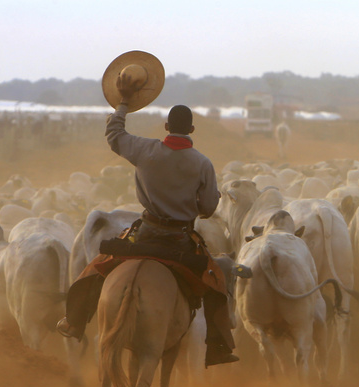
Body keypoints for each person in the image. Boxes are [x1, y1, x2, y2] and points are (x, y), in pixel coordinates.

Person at [57, 68, 239, 366]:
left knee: (94, 268)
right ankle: (218, 346)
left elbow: (114, 134)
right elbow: (208, 210)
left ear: (166, 126)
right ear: (191, 130)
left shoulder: (144, 149)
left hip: (145, 234)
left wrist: (124, 103)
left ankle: (73, 320)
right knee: (217, 282)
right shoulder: (202, 163)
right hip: (180, 241)